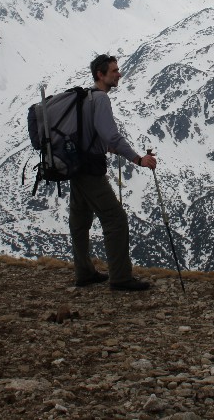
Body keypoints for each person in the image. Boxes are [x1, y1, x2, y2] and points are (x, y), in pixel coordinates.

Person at [69, 54, 157, 291]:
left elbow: (91, 132)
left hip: (75, 167)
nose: (119, 74)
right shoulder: (101, 100)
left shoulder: (85, 98)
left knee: (80, 221)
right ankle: (120, 278)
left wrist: (102, 143)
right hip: (90, 170)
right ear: (101, 74)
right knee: (116, 220)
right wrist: (138, 159)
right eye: (115, 70)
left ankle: (84, 273)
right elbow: (112, 136)